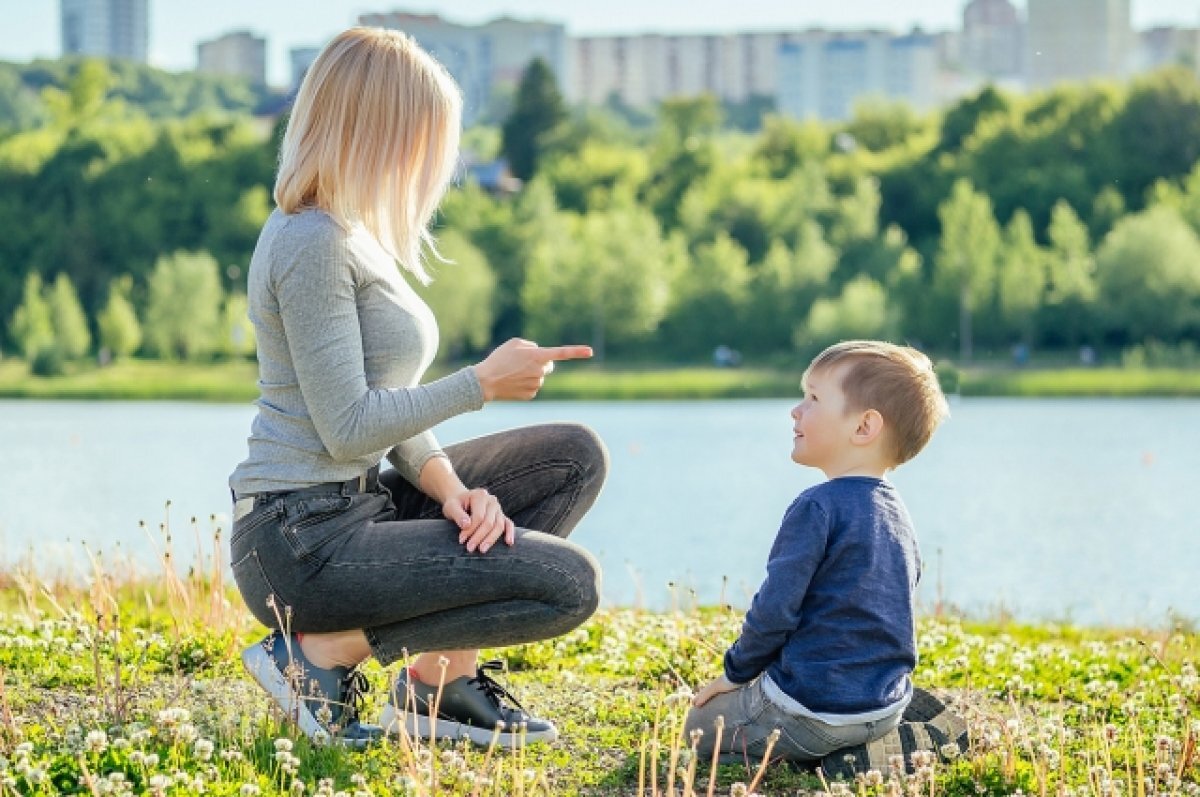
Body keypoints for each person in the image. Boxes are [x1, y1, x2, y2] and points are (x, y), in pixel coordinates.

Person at [227, 27, 607, 748]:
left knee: (573, 457)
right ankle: (319, 656)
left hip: (354, 506)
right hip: (299, 539)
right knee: (568, 585)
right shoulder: (309, 239)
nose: (436, 162)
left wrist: (448, 485)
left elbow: (387, 402)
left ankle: (439, 683)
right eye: (425, 139)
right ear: (376, 130)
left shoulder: (350, 232)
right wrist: (480, 384)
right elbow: (347, 426)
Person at [684, 340, 949, 764]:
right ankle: (869, 747)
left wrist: (736, 673)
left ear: (864, 427)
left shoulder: (816, 506)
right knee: (854, 713)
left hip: (810, 709)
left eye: (813, 398)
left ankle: (814, 754)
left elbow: (775, 611)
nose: (796, 410)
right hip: (882, 707)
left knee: (699, 727)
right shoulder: (899, 514)